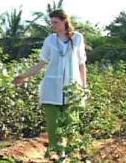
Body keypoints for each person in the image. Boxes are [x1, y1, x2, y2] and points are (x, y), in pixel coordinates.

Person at [13, 9, 88, 159]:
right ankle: (56, 153)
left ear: (64, 21)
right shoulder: (50, 40)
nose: (53, 25)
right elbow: (41, 63)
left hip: (73, 88)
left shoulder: (78, 38)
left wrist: (84, 87)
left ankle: (71, 154)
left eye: (56, 22)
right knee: (53, 124)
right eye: (51, 22)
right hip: (51, 87)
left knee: (71, 122)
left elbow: (81, 64)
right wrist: (24, 76)